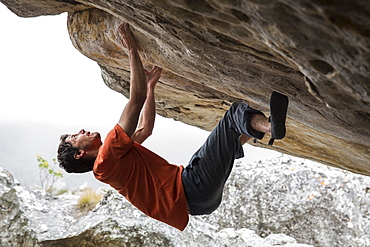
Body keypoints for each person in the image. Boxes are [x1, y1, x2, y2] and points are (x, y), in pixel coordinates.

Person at [57, 22, 289, 231]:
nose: (82, 131)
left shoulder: (112, 164)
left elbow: (145, 128)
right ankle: (269, 126)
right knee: (233, 116)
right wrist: (131, 49)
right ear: (79, 154)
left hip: (201, 204)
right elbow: (134, 99)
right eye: (75, 137)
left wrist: (150, 88)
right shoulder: (106, 158)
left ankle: (262, 126)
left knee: (231, 137)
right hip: (191, 187)